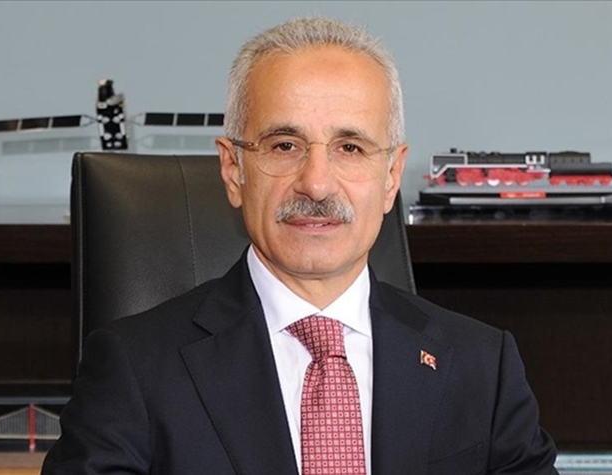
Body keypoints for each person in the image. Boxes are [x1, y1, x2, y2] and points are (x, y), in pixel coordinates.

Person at [42, 16, 559, 475]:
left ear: (391, 176)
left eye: (350, 147)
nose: (316, 183)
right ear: (233, 169)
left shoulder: (482, 367)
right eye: (284, 145)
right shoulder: (133, 368)